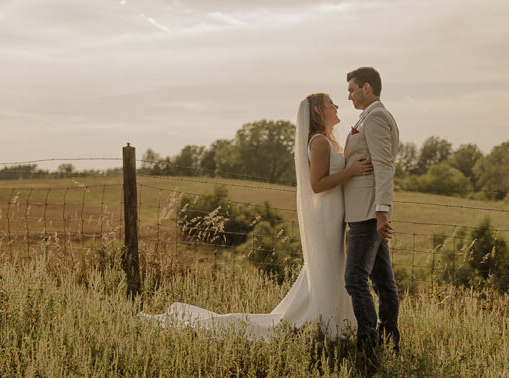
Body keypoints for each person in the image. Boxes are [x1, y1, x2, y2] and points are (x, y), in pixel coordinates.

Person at [142, 93, 372, 340]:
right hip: (326, 217)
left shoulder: (327, 141)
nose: (336, 106)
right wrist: (351, 171)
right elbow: (317, 184)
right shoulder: (318, 142)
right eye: (330, 103)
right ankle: (324, 325)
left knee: (330, 270)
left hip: (332, 217)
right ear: (318, 111)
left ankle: (331, 322)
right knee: (327, 269)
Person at [342, 67, 400, 359]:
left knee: (354, 279)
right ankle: (390, 341)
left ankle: (369, 346)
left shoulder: (376, 117)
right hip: (363, 210)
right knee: (383, 283)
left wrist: (381, 211)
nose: (348, 95)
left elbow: (384, 165)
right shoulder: (368, 116)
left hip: (367, 212)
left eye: (352, 89)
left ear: (367, 87)